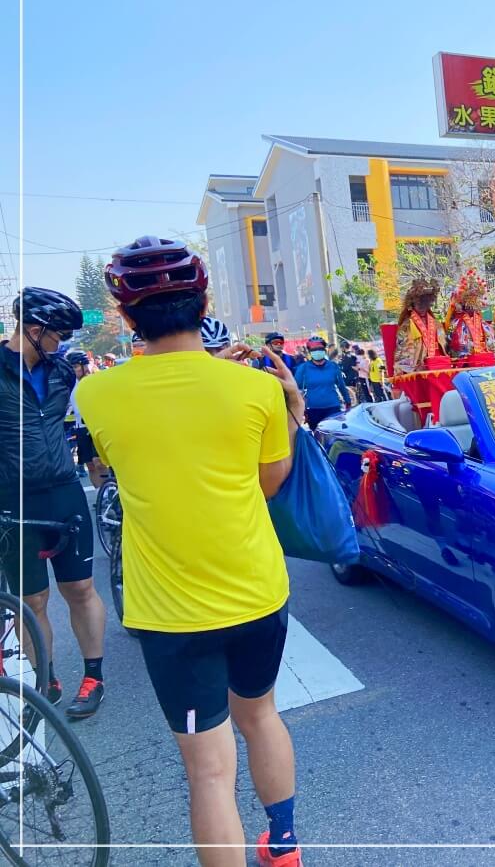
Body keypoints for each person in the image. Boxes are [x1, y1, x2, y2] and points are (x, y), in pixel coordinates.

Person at [77, 235, 306, 867]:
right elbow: (269, 483)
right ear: (204, 304)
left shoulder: (96, 395)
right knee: (261, 716)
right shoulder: (256, 389)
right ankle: (284, 846)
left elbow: (116, 467)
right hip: (257, 591)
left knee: (208, 770)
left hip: (170, 613)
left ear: (125, 317)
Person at [0, 288, 107, 716]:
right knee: (32, 602)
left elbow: (91, 418)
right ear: (33, 329)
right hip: (14, 499)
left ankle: (94, 677)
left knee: (80, 589)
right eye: (57, 335)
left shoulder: (63, 371)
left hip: (64, 492)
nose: (62, 344)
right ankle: (46, 680)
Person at [66, 351, 108, 489]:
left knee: (99, 462)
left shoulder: (97, 380)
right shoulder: (70, 384)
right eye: (71, 367)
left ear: (85, 366)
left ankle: (108, 491)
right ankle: (100, 494)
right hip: (81, 427)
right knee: (90, 465)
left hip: (97, 426)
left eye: (76, 366)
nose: (74, 370)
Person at [294, 338, 352, 427]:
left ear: (324, 350)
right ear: (309, 352)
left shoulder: (333, 366)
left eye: (320, 349)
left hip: (333, 408)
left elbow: (341, 385)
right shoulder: (303, 368)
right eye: (314, 350)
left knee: (334, 433)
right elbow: (296, 389)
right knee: (316, 434)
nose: (317, 351)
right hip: (313, 409)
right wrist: (301, 409)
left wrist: (348, 401)